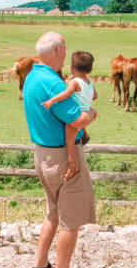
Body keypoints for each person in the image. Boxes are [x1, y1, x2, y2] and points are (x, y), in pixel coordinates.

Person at [23, 31, 97, 268]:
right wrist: (91, 114)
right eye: (64, 49)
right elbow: (76, 120)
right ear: (56, 52)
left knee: (52, 212)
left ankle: (40, 265)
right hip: (62, 157)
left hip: (42, 154)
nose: (65, 54)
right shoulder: (54, 85)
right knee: (70, 221)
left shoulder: (32, 76)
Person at [40, 50, 97, 182]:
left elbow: (67, 94)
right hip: (86, 111)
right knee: (76, 136)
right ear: (91, 69)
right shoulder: (89, 82)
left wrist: (52, 100)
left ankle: (72, 166)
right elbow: (94, 96)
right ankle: (84, 133)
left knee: (69, 143)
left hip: (77, 115)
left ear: (71, 67)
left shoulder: (74, 82)